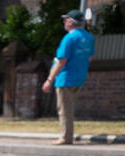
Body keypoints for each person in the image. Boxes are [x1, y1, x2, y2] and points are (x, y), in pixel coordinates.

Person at [44, 9, 96, 145]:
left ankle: (66, 137)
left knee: (64, 110)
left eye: (65, 20)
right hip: (80, 77)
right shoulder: (89, 37)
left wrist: (50, 79)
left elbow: (61, 61)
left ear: (71, 22)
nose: (64, 22)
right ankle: (66, 135)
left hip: (65, 78)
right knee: (68, 108)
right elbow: (90, 57)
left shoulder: (69, 38)